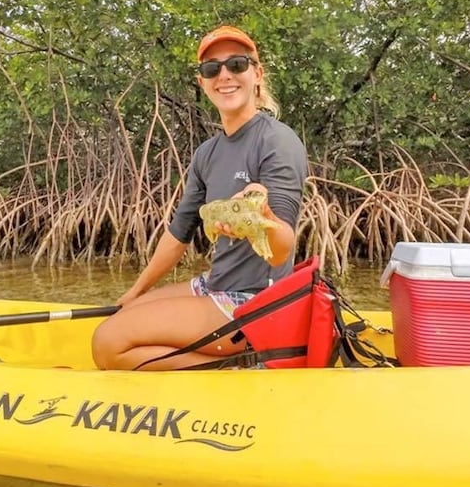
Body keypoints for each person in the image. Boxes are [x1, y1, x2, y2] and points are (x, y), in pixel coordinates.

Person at [91, 25, 308, 370]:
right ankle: (208, 357)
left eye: (237, 65)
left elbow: (283, 247)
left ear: (257, 74)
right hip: (215, 284)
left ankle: (238, 366)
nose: (224, 75)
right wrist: (135, 291)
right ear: (202, 82)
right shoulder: (207, 152)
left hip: (257, 303)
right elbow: (179, 234)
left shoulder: (277, 141)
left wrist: (263, 218)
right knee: (128, 312)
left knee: (108, 344)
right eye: (212, 69)